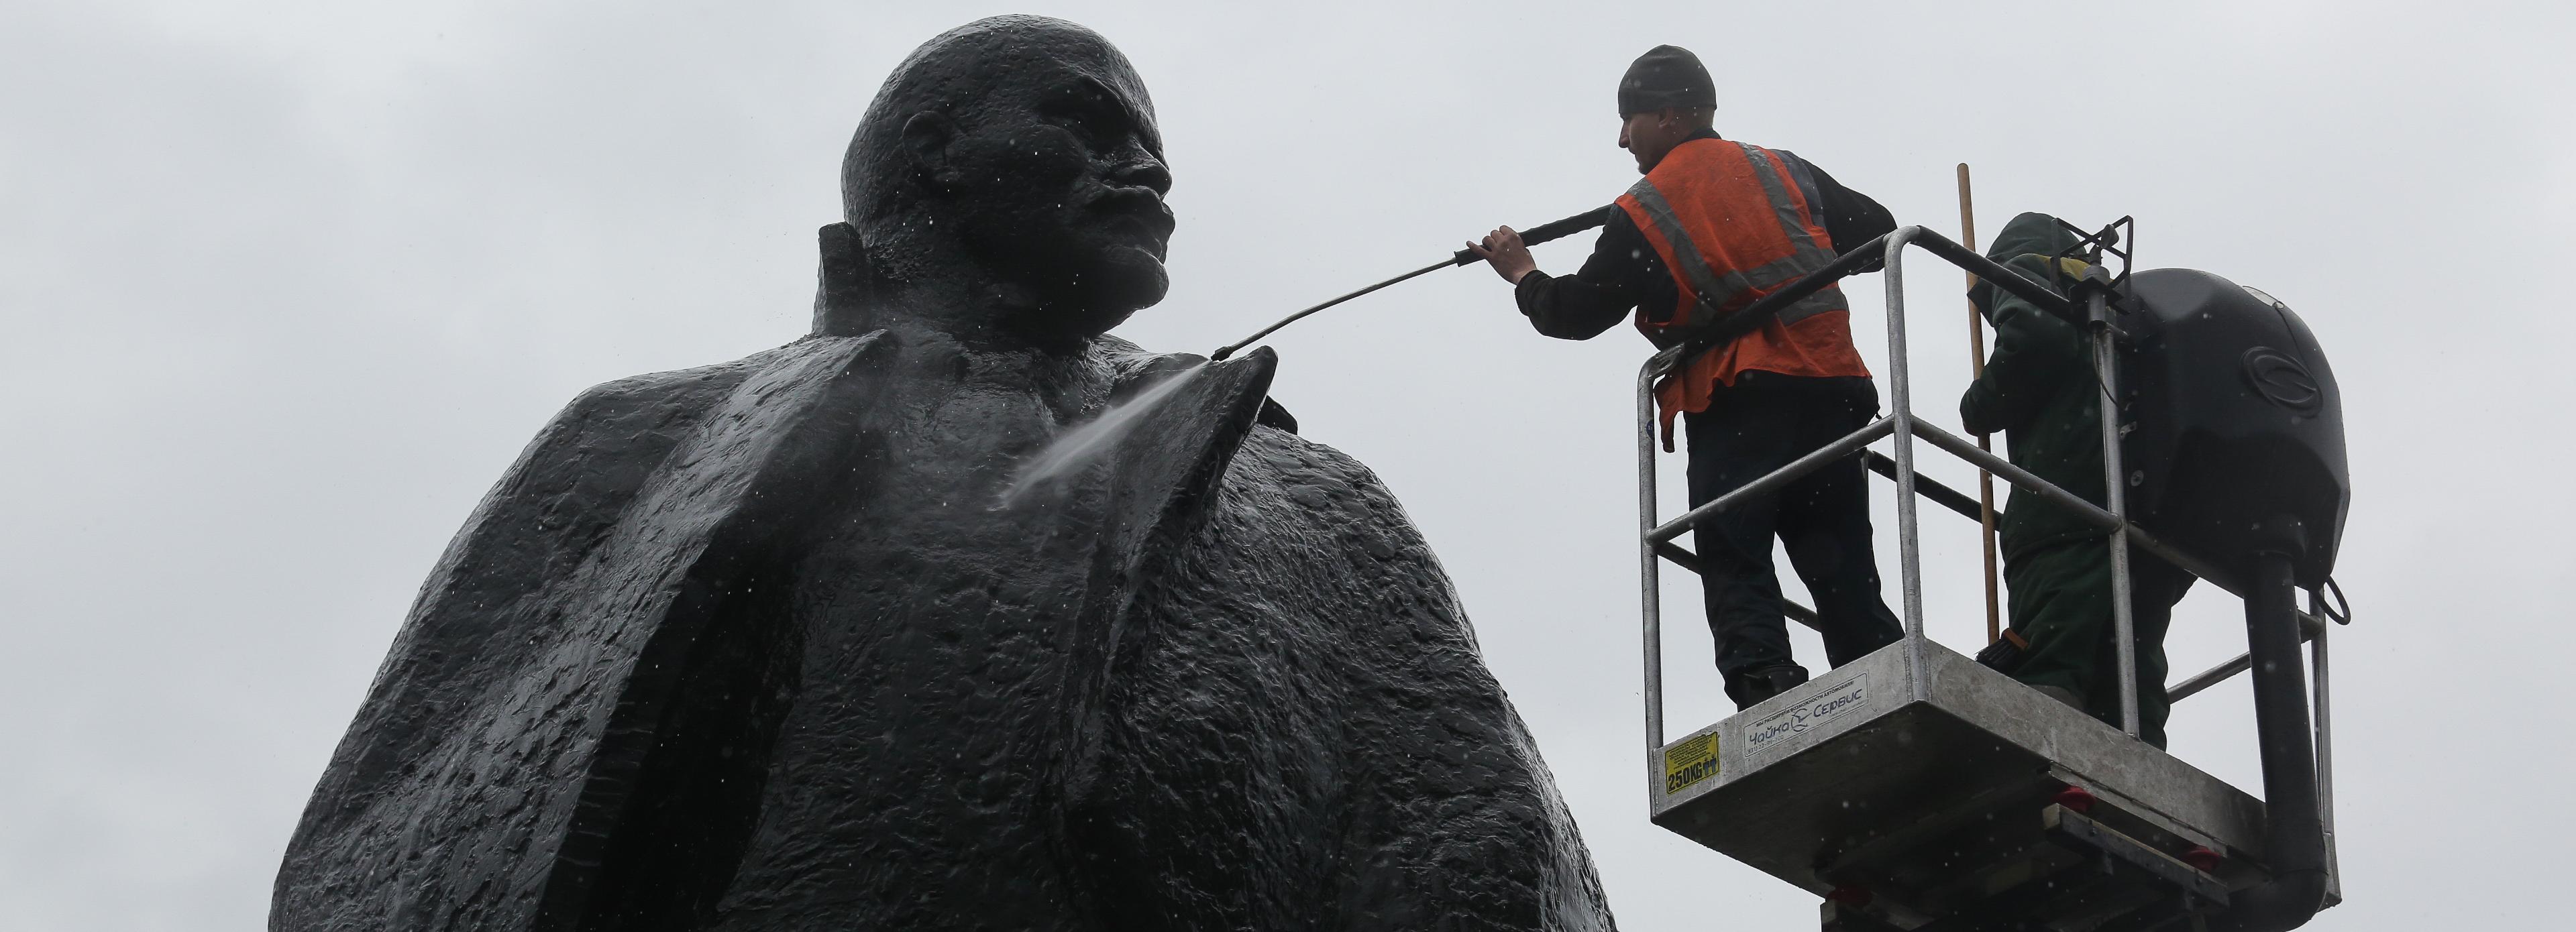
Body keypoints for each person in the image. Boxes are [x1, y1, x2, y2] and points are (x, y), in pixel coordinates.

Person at [274, 17, 1615, 932]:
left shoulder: (1305, 495)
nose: (1144, 167)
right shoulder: (641, 441)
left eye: (1150, 141)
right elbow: (404, 837)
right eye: (1085, 124)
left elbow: (1474, 835)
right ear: (926, 162)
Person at [1470, 45, 1903, 709]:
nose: (1622, 137)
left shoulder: (1645, 209)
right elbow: (1877, 233)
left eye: (1631, 119)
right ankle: (1881, 681)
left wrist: (1523, 274)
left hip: (1740, 400)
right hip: (1830, 390)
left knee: (1735, 553)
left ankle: (1768, 691)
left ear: (1671, 117)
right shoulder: (1782, 169)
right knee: (1840, 560)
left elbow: (1576, 314)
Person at [1961, 211, 2194, 748]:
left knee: (2050, 655)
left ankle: (2047, 757)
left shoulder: (2025, 272)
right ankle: (2139, 782)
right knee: (2131, 671)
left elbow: (2032, 340)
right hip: (2144, 521)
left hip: (2064, 514)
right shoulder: (2120, 306)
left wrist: (1979, 404)